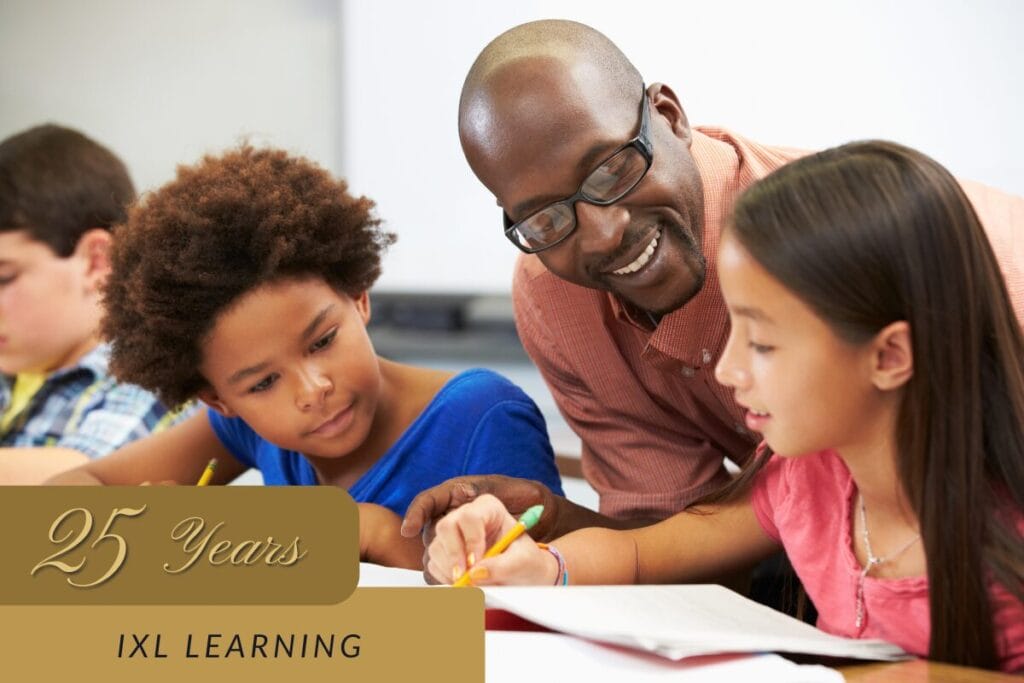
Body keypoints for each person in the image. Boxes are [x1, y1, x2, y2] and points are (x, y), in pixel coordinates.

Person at [401, 19, 1024, 543]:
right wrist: (559, 523)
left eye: (612, 168)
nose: (602, 234)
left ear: (670, 117)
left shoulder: (884, 246)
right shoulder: (553, 296)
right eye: (544, 217)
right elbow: (680, 534)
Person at [424, 140, 1024, 672]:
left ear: (890, 355)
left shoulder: (1006, 525)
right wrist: (544, 567)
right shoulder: (810, 480)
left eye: (762, 343)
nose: (729, 369)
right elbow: (641, 551)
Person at [48, 145, 563, 570]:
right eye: (262, 383)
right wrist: (140, 520)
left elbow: (529, 591)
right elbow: (68, 490)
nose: (313, 388)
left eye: (321, 342)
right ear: (219, 399)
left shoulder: (483, 416)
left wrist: (377, 533)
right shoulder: (242, 426)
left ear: (358, 295)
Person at [0, 124, 190, 483]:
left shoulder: (151, 376)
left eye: (4, 278)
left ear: (96, 261)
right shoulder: (15, 368)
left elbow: (91, 478)